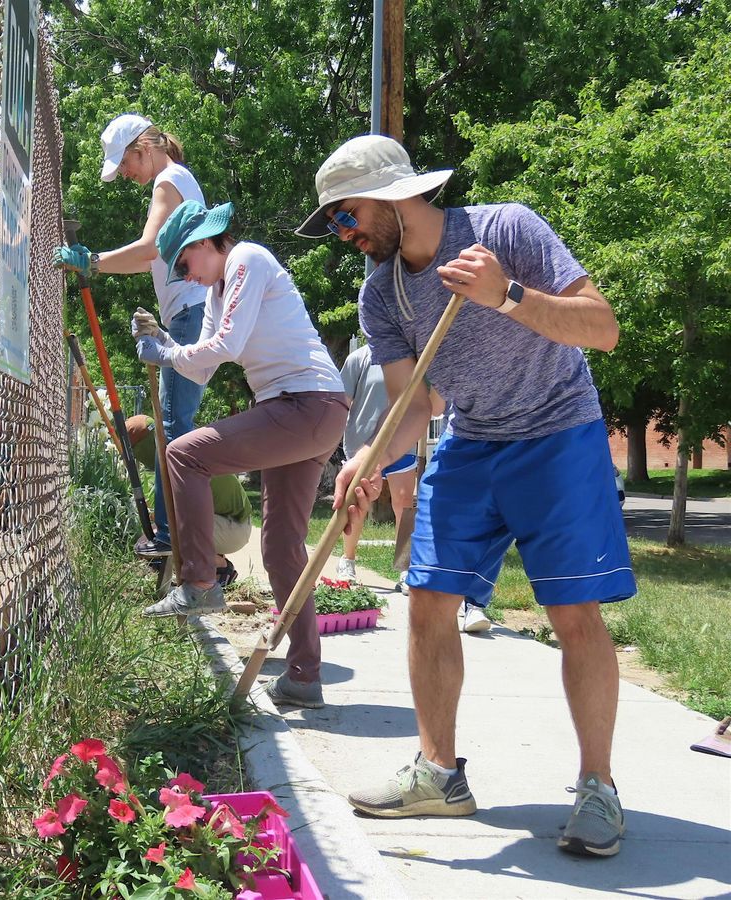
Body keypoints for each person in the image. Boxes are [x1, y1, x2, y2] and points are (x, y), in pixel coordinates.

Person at [298, 134, 636, 857]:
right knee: (426, 598)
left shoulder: (506, 229)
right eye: (335, 222)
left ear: (394, 195)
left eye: (346, 214)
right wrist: (363, 459)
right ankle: (439, 774)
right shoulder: (381, 292)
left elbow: (602, 328)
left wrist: (506, 295)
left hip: (557, 433)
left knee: (572, 612)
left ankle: (598, 788)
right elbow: (410, 404)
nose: (343, 233)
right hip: (472, 438)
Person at [133, 199, 381, 710]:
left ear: (205, 243)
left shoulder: (248, 258)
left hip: (306, 403)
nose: (187, 276)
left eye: (184, 264)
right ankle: (304, 678)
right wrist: (162, 343)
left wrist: (168, 353)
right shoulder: (220, 289)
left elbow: (225, 345)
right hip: (301, 411)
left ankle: (200, 580)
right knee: (281, 549)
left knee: (184, 455)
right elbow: (202, 368)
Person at [52, 113, 207, 559]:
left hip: (188, 315)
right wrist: (97, 264)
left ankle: (170, 538)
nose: (124, 174)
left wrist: (92, 261)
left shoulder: (169, 181)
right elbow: (149, 260)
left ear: (143, 148)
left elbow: (149, 248)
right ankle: (179, 538)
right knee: (176, 426)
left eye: (124, 163)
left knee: (175, 429)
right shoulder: (179, 181)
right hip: (189, 313)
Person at [124, 414, 249, 586]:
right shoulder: (185, 447)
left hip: (234, 527)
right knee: (156, 535)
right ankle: (211, 564)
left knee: (163, 537)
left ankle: (221, 568)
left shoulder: (177, 462)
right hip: (228, 522)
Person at [335, 342, 418, 586]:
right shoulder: (359, 358)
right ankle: (347, 561)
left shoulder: (411, 355)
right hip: (362, 446)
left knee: (403, 502)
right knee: (356, 503)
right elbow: (343, 402)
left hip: (402, 441)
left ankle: (405, 567)